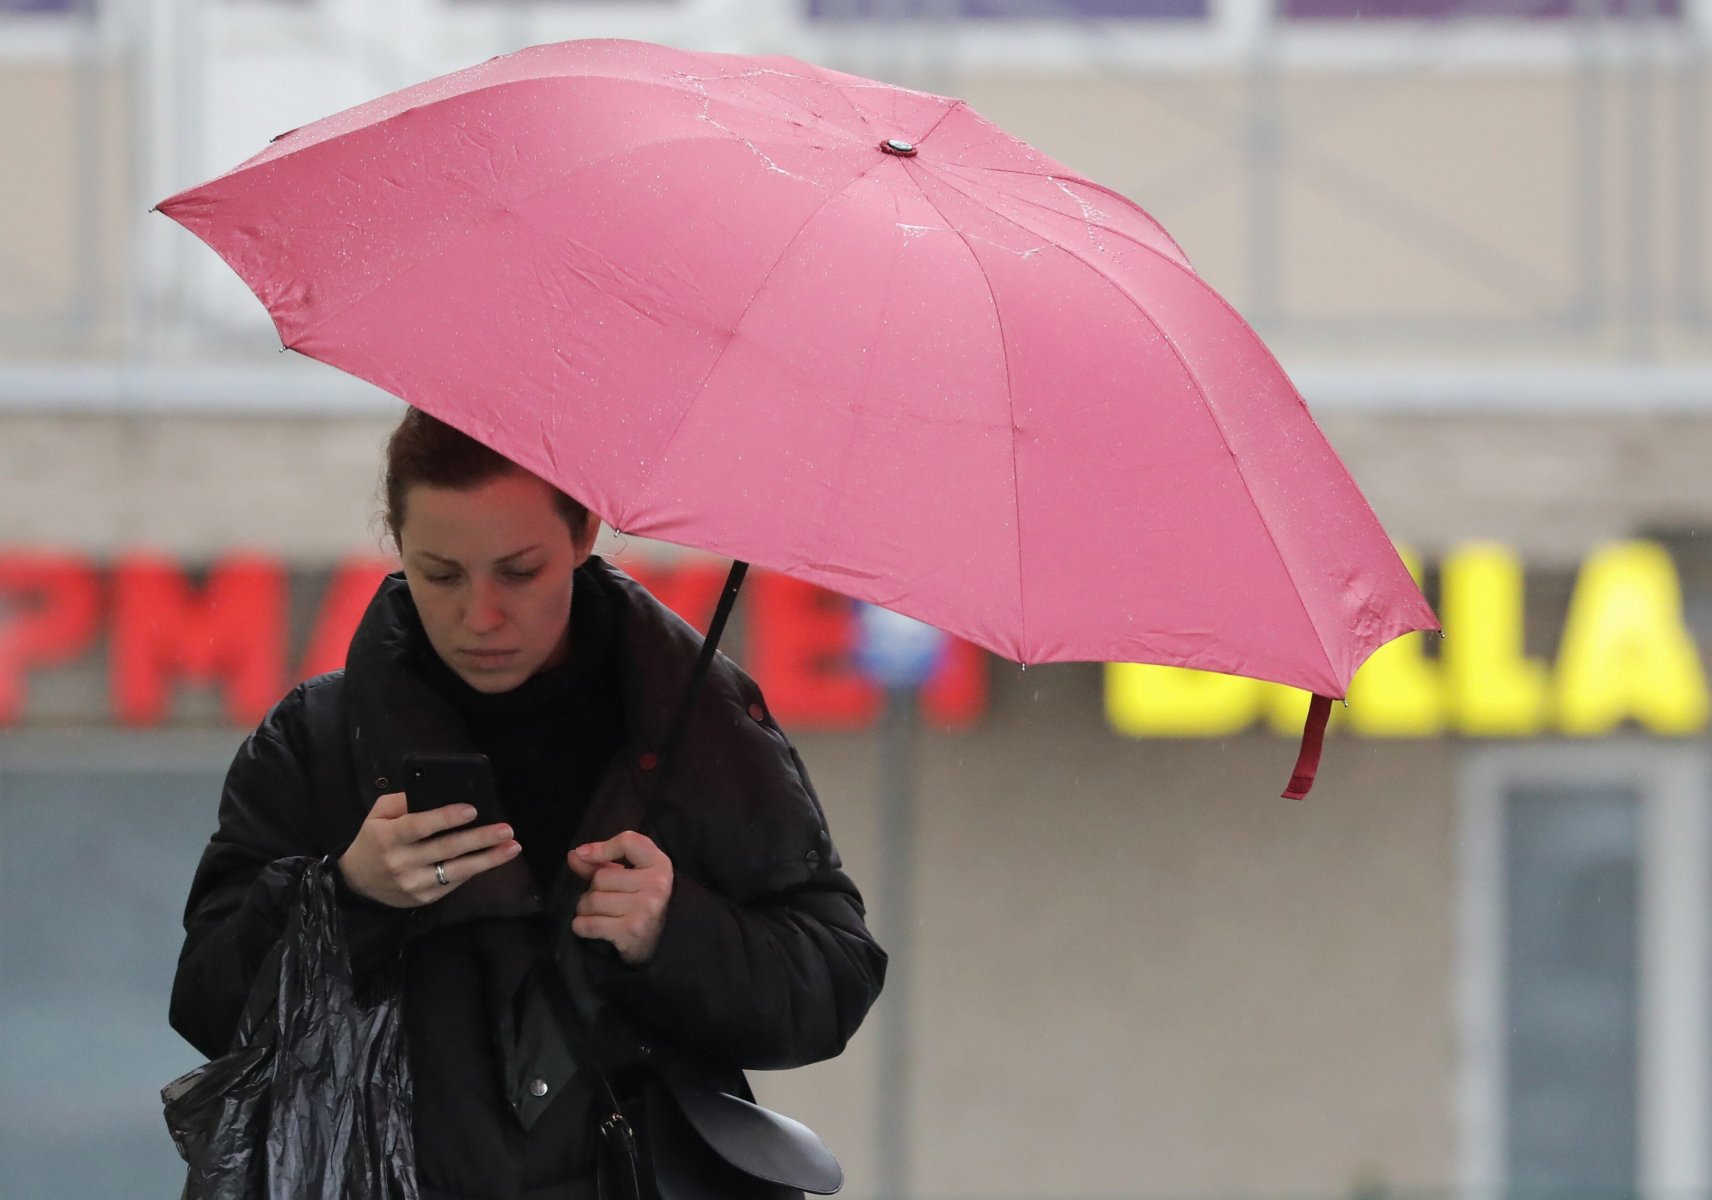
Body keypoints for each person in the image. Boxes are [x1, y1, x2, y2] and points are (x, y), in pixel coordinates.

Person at [169, 407, 887, 1200]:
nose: (480, 616)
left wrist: (673, 930)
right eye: (440, 574)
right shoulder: (317, 740)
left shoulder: (697, 723)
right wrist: (345, 898)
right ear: (397, 546)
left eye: (519, 571)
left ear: (582, 535)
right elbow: (208, 1003)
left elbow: (833, 983)